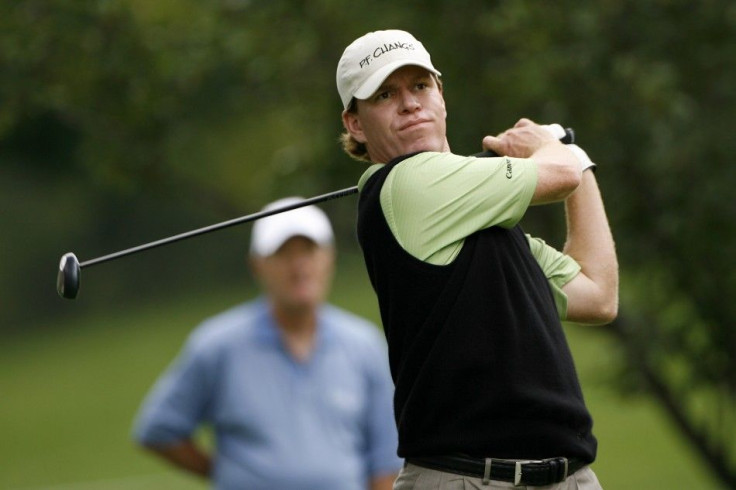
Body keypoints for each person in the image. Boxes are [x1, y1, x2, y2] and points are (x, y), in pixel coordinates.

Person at [336, 29, 619, 489]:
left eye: (420, 86)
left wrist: (576, 162)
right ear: (355, 123)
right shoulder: (404, 185)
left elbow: (598, 294)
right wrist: (550, 145)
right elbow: (560, 173)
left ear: (441, 96)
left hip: (568, 477)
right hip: (465, 479)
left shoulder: (488, 227)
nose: (409, 104)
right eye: (386, 94)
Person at [132, 197, 403, 490]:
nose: (299, 266)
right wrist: (226, 474)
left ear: (330, 258)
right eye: (283, 253)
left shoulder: (364, 346)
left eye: (309, 251)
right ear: (257, 266)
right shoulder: (217, 346)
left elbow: (385, 461)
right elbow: (159, 430)